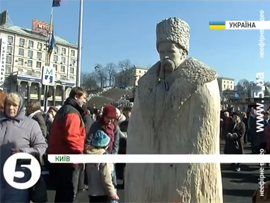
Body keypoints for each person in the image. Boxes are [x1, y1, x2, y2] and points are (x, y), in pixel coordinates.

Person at [0, 92, 47, 203]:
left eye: (14, 105)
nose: (11, 108)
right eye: (8, 104)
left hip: (18, 180)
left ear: (20, 106)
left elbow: (42, 146)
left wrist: (24, 152)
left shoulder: (31, 125)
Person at [48, 87, 87, 203]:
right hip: (68, 159)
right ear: (76, 97)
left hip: (59, 157)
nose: (85, 101)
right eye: (84, 98)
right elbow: (72, 138)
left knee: (61, 193)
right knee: (67, 193)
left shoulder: (63, 110)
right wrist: (80, 153)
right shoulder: (72, 113)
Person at [85, 130, 119, 203]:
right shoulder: (105, 158)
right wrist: (113, 193)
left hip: (92, 191)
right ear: (106, 145)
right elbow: (106, 178)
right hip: (102, 193)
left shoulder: (89, 155)